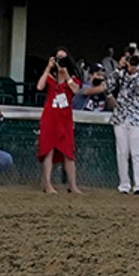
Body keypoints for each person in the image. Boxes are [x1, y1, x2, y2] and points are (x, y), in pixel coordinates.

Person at [105, 47, 139, 195]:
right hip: (120, 116)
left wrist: (133, 74)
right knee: (122, 152)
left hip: (137, 117)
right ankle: (124, 184)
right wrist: (118, 69)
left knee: (136, 152)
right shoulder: (120, 73)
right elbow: (108, 86)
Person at [35, 54, 83, 194]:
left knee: (68, 152)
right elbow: (40, 86)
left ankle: (72, 185)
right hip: (50, 117)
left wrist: (66, 76)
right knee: (48, 150)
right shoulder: (50, 79)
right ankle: (48, 184)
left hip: (65, 118)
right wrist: (49, 67)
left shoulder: (72, 80)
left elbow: (75, 90)